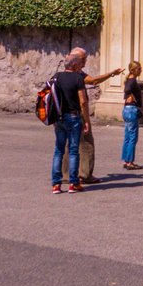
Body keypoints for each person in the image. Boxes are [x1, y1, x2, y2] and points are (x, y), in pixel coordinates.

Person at [51, 49, 121, 193]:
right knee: (80, 146)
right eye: (83, 59)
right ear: (75, 62)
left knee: (60, 149)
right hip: (75, 115)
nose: (85, 61)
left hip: (59, 117)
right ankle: (79, 178)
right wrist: (87, 120)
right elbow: (83, 101)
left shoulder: (56, 76)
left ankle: (58, 182)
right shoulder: (78, 77)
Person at [121, 61, 143, 169]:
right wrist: (131, 97)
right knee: (132, 137)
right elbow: (127, 90)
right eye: (139, 68)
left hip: (127, 110)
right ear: (133, 70)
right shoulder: (132, 80)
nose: (141, 70)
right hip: (131, 110)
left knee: (128, 136)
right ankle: (129, 162)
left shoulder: (129, 80)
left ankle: (126, 160)